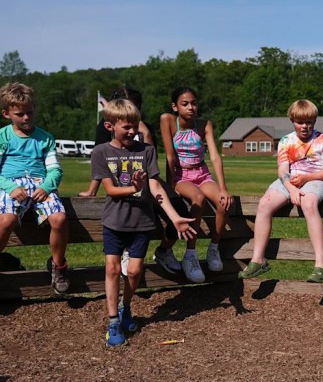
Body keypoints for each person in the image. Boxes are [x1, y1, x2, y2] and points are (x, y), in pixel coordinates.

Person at [90, 99, 196, 347]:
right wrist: (133, 187)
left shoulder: (146, 151)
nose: (132, 131)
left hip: (142, 223)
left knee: (135, 271)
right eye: (126, 127)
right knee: (113, 269)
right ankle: (113, 321)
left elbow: (156, 187)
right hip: (114, 222)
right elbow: (110, 189)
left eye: (135, 126)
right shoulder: (101, 153)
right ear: (109, 126)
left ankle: (126, 307)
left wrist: (174, 217)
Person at [79, 86, 186, 277]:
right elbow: (100, 162)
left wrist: (143, 131)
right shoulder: (105, 129)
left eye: (135, 108)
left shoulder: (142, 128)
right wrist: (91, 190)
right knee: (136, 207)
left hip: (146, 177)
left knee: (179, 208)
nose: (132, 126)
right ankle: (129, 251)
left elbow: (149, 159)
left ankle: (163, 250)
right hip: (121, 181)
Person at [238, 99, 323, 283]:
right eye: (300, 122)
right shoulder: (286, 141)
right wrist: (291, 188)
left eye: (309, 122)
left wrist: (306, 179)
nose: (305, 126)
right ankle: (258, 259)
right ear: (292, 120)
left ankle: (320, 266)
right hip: (290, 180)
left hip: (316, 179)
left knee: (308, 203)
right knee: (264, 204)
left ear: (314, 121)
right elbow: (283, 170)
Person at [0, 82, 70, 294]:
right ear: (6, 114)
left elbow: (55, 170)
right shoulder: (2, 137)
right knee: (7, 220)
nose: (26, 118)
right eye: (20, 114)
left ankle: (58, 266)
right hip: (9, 183)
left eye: (30, 112)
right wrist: (10, 187)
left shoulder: (45, 138)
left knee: (59, 218)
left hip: (40, 184)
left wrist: (48, 186)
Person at [159, 87, 233, 283]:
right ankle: (190, 255)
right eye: (185, 104)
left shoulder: (204, 124)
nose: (191, 107)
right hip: (181, 175)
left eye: (193, 103)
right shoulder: (167, 120)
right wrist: (169, 187)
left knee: (223, 202)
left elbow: (215, 157)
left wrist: (224, 188)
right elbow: (169, 156)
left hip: (202, 173)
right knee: (197, 199)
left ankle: (213, 249)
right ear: (175, 106)